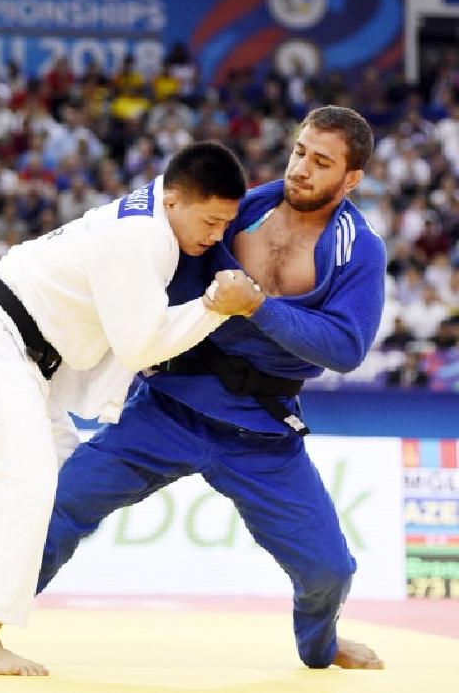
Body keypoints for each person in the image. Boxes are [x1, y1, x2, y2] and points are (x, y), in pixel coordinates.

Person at [31, 106, 387, 670]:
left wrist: (259, 306)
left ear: (352, 179)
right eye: (299, 152)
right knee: (59, 506)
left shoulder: (358, 248)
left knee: (329, 572)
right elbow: (155, 243)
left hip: (261, 434)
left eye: (322, 163)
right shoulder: (241, 210)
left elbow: (346, 347)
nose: (301, 169)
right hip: (170, 407)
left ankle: (321, 647)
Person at [0, 142, 249, 676]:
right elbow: (139, 347)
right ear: (176, 199)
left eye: (225, 225)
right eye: (210, 221)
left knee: (62, 472)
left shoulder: (152, 221)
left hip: (20, 354)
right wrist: (212, 308)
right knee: (26, 481)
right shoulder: (146, 236)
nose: (215, 237)